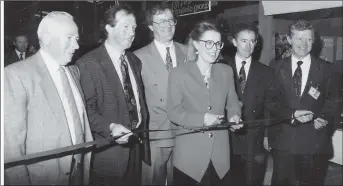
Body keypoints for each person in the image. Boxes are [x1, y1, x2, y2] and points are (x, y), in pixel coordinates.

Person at [4, 11, 93, 185]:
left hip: (79, 170)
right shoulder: (16, 75)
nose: (76, 46)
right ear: (46, 38)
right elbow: (11, 149)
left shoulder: (73, 71)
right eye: (69, 38)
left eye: (76, 38)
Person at [76, 5, 150, 185]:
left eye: (133, 28)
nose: (132, 32)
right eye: (125, 26)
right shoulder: (88, 63)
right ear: (109, 28)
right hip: (109, 154)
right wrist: (110, 127)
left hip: (135, 148)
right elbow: (87, 111)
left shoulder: (134, 61)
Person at [166, 21, 243, 185]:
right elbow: (174, 111)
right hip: (189, 159)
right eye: (209, 43)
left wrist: (235, 116)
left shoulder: (226, 71)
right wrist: (202, 119)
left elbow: (233, 102)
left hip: (220, 158)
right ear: (195, 44)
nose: (214, 48)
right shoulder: (179, 73)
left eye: (217, 43)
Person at [269, 20, 337, 185]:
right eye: (298, 38)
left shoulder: (327, 69)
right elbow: (270, 102)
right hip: (284, 142)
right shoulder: (275, 67)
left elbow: (334, 100)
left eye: (308, 39)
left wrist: (325, 117)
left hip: (314, 143)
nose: (303, 44)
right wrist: (290, 115)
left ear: (314, 41)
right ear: (289, 39)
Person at [223, 23, 292, 185]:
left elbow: (270, 107)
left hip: (254, 140)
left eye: (252, 41)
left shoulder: (266, 72)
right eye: (243, 41)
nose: (248, 46)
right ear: (234, 42)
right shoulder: (222, 68)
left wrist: (267, 135)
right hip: (226, 139)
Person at [134, 2, 187, 185]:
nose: (167, 25)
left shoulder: (188, 52)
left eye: (171, 20)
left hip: (184, 133)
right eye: (161, 21)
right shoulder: (137, 57)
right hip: (156, 134)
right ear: (150, 26)